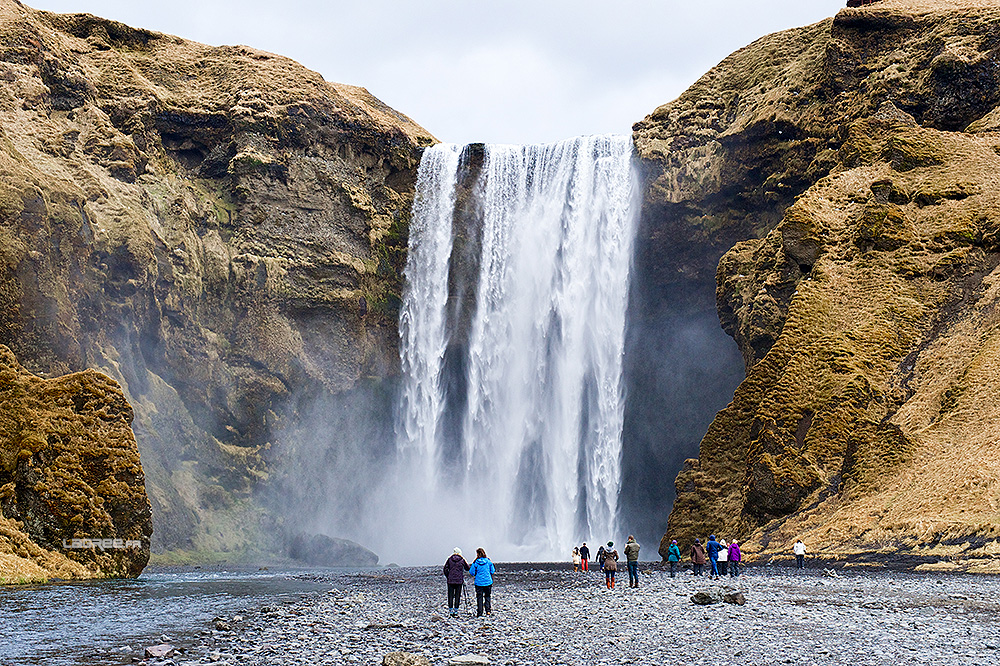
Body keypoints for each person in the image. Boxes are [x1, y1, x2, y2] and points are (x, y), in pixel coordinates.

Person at [468, 547, 496, 617]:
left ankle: (480, 612)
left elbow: (471, 572)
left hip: (479, 583)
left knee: (479, 597)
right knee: (487, 596)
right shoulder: (488, 562)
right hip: (488, 582)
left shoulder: (475, 563)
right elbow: (492, 571)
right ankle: (488, 611)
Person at [443, 547, 470, 617]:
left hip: (450, 580)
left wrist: (448, 576)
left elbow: (445, 569)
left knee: (450, 595)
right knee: (457, 595)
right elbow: (467, 568)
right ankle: (456, 610)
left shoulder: (449, 559)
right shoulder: (462, 560)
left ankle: (451, 610)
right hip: (459, 580)